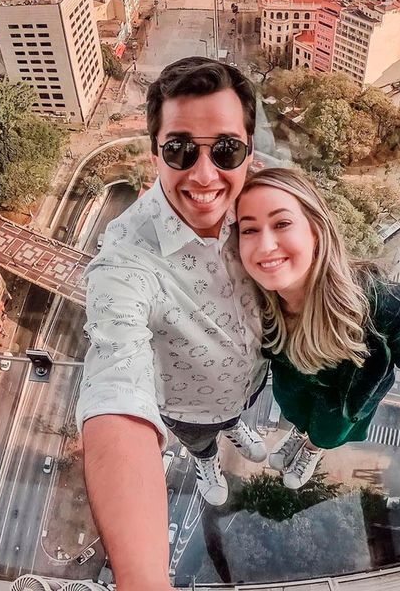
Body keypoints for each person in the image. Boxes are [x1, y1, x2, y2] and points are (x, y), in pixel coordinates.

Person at [77, 57, 268, 591]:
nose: (204, 175)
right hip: (186, 404)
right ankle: (209, 457)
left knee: (235, 414)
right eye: (181, 150)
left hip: (248, 380)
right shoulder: (126, 259)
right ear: (156, 152)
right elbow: (116, 384)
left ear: (249, 153)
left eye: (225, 150)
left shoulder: (264, 201)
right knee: (202, 439)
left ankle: (237, 425)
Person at [236, 167, 400, 490]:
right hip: (295, 386)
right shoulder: (256, 305)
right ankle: (299, 433)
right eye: (249, 230)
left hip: (343, 400)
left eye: (282, 223)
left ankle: (311, 449)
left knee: (325, 432)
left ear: (316, 231)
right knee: (296, 412)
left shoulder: (378, 301)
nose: (266, 245)